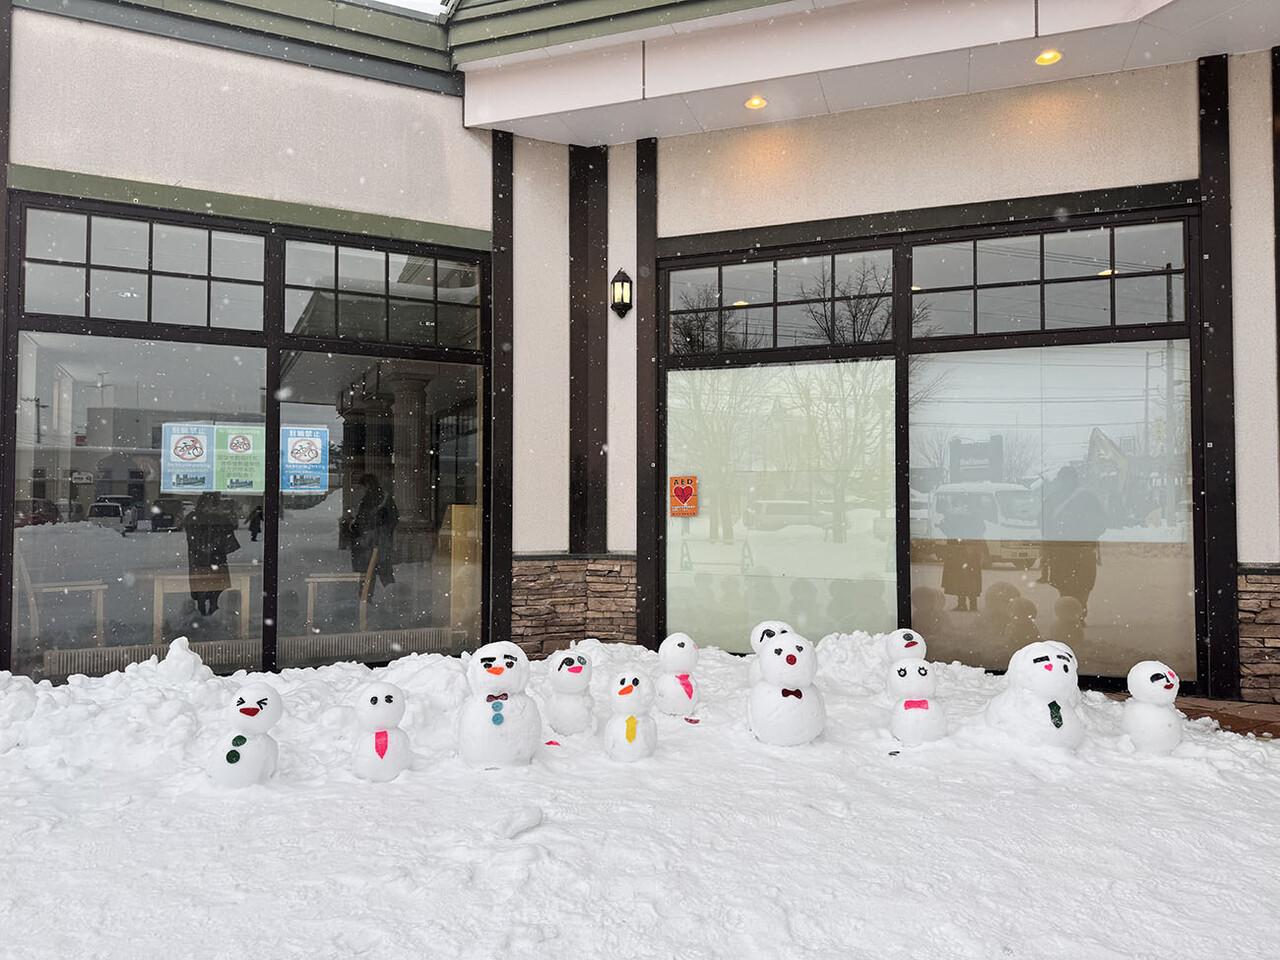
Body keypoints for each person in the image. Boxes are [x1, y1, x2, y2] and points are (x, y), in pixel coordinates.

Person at [1046, 466, 1107, 618]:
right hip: (1081, 549)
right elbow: (1102, 522)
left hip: (1062, 550)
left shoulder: (1052, 498)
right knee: (1083, 584)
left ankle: (1069, 613)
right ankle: (1078, 611)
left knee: (1066, 584)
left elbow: (1042, 524)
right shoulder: (1088, 498)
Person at [184, 491, 240, 616]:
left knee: (212, 592)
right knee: (204, 592)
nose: (210, 509)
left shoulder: (216, 520)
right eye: (209, 506)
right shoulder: (197, 519)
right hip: (204, 563)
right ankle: (204, 614)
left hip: (208, 562)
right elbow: (198, 543)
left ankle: (208, 613)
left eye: (213, 506)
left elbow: (229, 542)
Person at [347, 473, 399, 599]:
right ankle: (395, 600)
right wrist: (385, 532)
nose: (362, 490)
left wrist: (353, 525)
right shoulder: (387, 497)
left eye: (363, 487)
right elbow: (394, 519)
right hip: (383, 543)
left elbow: (361, 523)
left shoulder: (368, 499)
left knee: (367, 576)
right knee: (386, 574)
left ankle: (365, 602)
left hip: (368, 544)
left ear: (368, 485)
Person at [939, 496, 985, 612]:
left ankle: (962, 603)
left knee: (958, 578)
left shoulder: (954, 516)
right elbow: (982, 529)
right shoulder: (975, 515)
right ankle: (973, 604)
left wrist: (943, 525)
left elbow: (950, 532)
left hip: (958, 552)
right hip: (971, 552)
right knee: (971, 578)